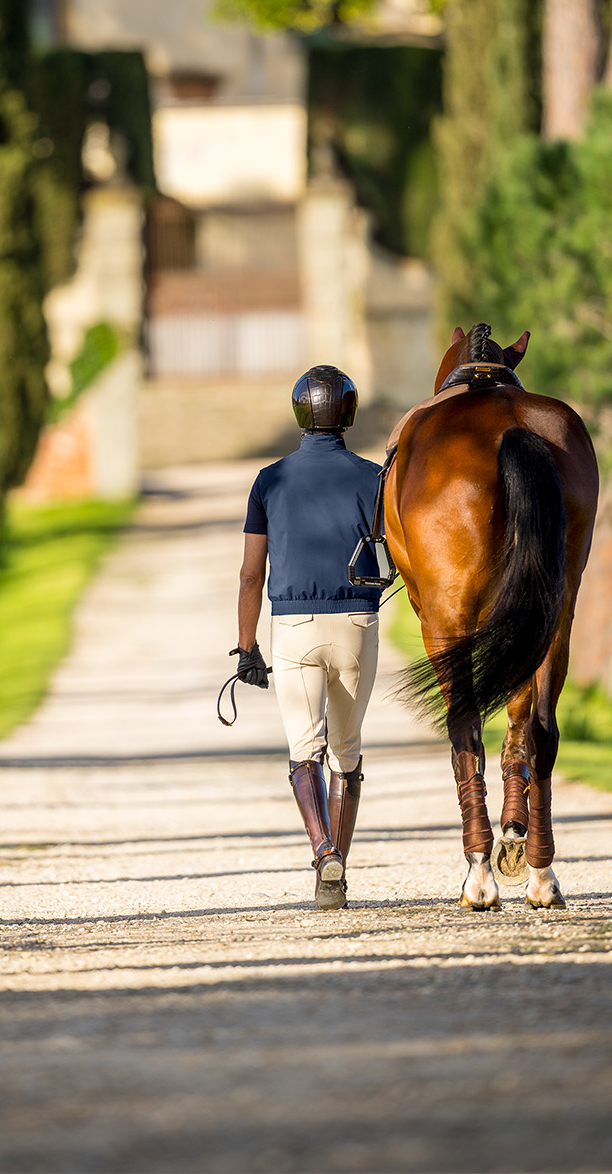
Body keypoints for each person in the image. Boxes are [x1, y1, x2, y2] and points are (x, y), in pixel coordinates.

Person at [233, 365, 383, 911]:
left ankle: (323, 853)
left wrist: (247, 646)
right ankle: (337, 871)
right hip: (357, 623)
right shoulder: (374, 478)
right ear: (349, 412)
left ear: (299, 411)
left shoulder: (268, 480)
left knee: (304, 751)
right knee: (347, 753)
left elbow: (251, 575)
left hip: (293, 627)